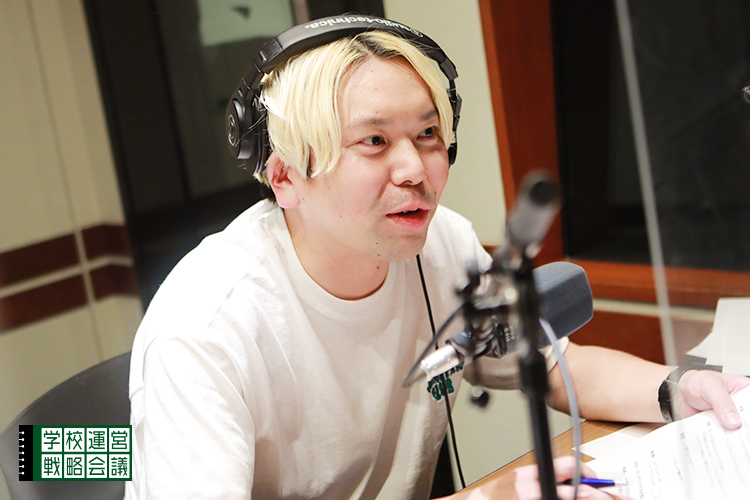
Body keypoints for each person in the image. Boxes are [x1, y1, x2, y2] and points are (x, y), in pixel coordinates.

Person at [125, 15, 750, 500]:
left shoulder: (441, 242)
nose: (415, 169)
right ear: (284, 176)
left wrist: (679, 389)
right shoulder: (205, 329)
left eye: (427, 134)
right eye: (374, 141)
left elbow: (552, 363)